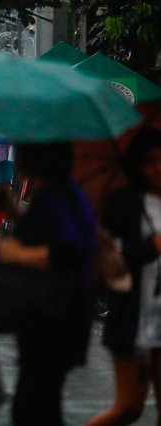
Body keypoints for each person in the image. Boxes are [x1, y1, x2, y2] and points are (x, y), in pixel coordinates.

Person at [0, 143, 95, 426]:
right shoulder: (64, 193)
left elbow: (66, 250)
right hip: (58, 316)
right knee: (40, 402)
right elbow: (48, 233)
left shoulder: (57, 196)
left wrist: (15, 254)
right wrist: (13, 212)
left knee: (34, 406)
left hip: (54, 318)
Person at [87, 128, 161, 426]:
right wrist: (149, 247)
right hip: (133, 317)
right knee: (129, 407)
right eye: (150, 161)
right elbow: (112, 259)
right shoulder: (124, 203)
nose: (158, 167)